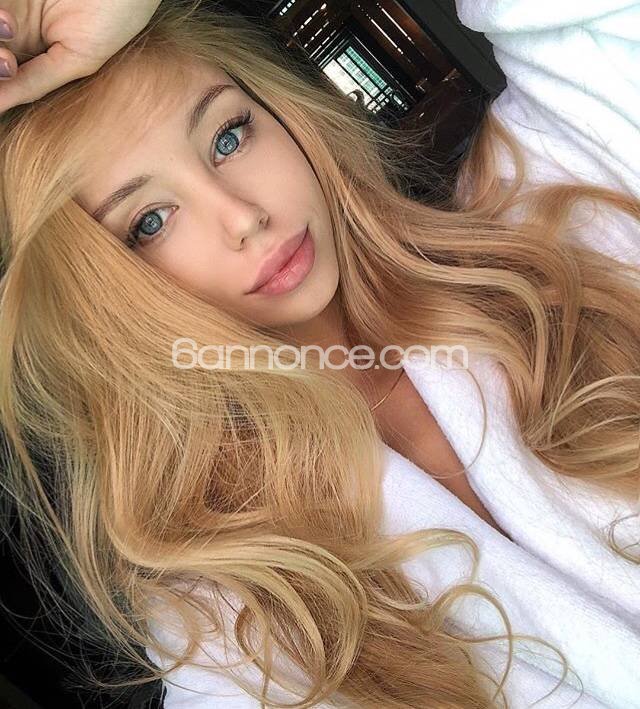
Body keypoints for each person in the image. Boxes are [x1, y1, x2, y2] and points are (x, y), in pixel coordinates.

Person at [0, 0, 638, 707]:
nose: (243, 217)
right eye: (150, 220)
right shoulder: (234, 619)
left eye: (228, 136)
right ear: (99, 300)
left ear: (284, 115)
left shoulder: (549, 230)